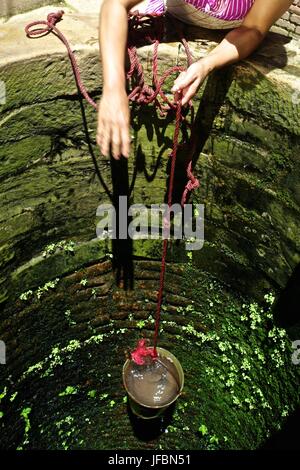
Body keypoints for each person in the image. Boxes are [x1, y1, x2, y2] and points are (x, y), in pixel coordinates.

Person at [97, 0, 293, 160]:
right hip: (173, 12)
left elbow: (254, 29)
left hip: (235, 30)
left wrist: (206, 64)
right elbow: (115, 4)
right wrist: (113, 87)